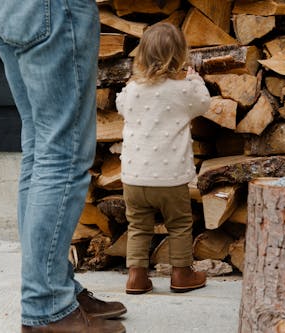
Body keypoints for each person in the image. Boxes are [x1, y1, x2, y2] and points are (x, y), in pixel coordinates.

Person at [0, 1, 126, 332]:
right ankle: (48, 307)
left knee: (39, 148)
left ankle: (57, 289)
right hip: (50, 8)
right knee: (63, 154)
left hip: (2, 7)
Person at [116, 22, 210, 294]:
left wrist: (132, 84)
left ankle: (136, 277)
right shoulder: (182, 90)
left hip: (134, 179)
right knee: (179, 225)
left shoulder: (133, 89)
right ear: (180, 56)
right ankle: (181, 275)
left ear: (141, 55)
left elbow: (120, 104)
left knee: (138, 226)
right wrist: (195, 79)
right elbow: (203, 103)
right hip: (171, 178)